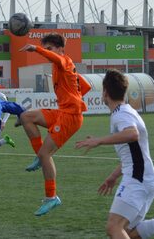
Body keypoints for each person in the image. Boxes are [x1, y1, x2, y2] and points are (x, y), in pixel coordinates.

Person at [75, 69, 154, 239]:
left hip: (138, 179)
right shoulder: (127, 110)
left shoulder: (120, 115)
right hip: (144, 177)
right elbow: (132, 153)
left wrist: (98, 140)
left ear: (105, 92)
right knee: (128, 232)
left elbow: (132, 134)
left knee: (114, 227)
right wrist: (113, 177)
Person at [17, 33, 92, 216]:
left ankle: (52, 198)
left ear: (60, 49)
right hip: (63, 111)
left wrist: (36, 49)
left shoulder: (64, 60)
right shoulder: (64, 67)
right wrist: (74, 96)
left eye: (50, 48)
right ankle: (40, 157)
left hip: (70, 116)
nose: (48, 51)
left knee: (46, 154)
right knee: (26, 116)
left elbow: (55, 58)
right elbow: (86, 86)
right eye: (46, 48)